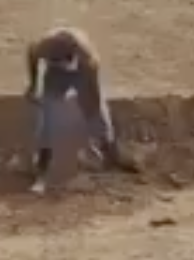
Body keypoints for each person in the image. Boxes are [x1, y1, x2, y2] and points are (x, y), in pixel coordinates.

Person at [26, 26, 125, 194]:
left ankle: (111, 155)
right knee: (48, 116)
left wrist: (88, 136)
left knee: (99, 115)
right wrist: (34, 84)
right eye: (54, 61)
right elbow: (32, 56)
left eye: (62, 62)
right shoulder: (43, 47)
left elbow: (92, 99)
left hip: (81, 73)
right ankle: (42, 166)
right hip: (55, 76)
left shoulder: (88, 60)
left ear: (71, 57)